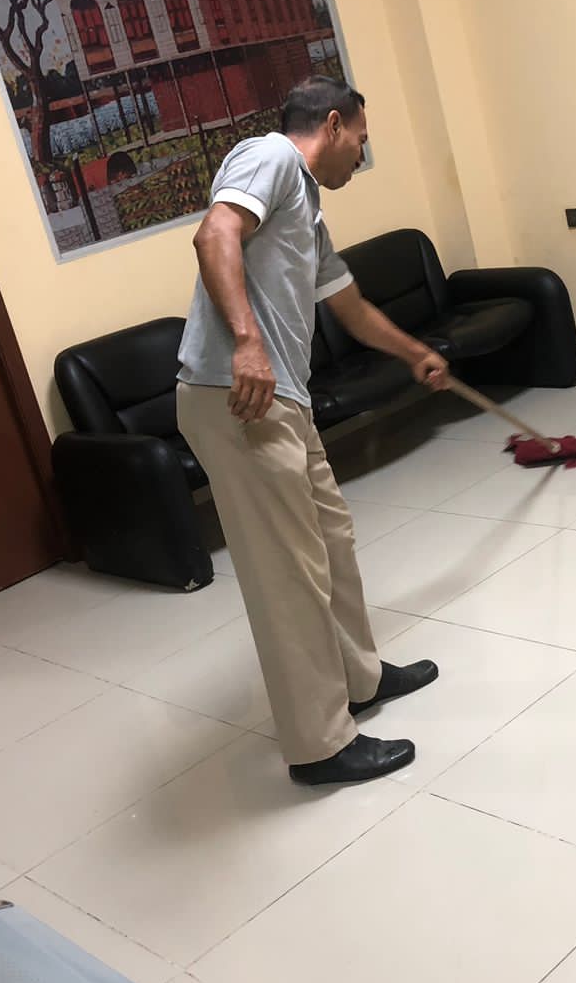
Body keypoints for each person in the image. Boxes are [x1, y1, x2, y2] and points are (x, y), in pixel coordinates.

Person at [176, 76, 448, 786]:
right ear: (332, 124)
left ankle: (360, 678)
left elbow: (351, 309)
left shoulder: (308, 210)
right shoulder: (268, 156)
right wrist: (247, 342)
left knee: (332, 543)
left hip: (283, 402)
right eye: (361, 138)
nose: (362, 153)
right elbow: (214, 233)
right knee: (288, 575)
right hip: (238, 399)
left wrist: (414, 352)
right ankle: (319, 744)